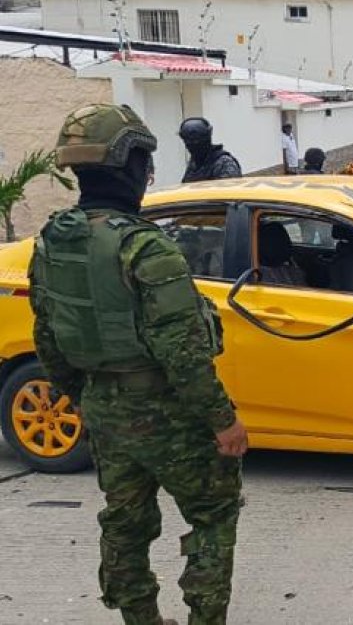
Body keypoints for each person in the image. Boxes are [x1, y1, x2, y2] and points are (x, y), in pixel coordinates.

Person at [30, 104, 247, 625]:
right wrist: (224, 420)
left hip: (105, 409)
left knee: (124, 524)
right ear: (129, 164)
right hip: (169, 411)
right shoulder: (146, 247)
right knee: (213, 517)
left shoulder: (52, 241)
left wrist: (84, 396)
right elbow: (185, 354)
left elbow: (48, 337)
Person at [180, 117, 241, 183]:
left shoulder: (224, 163)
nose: (191, 146)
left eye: (196, 140)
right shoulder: (194, 163)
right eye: (188, 141)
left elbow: (228, 190)